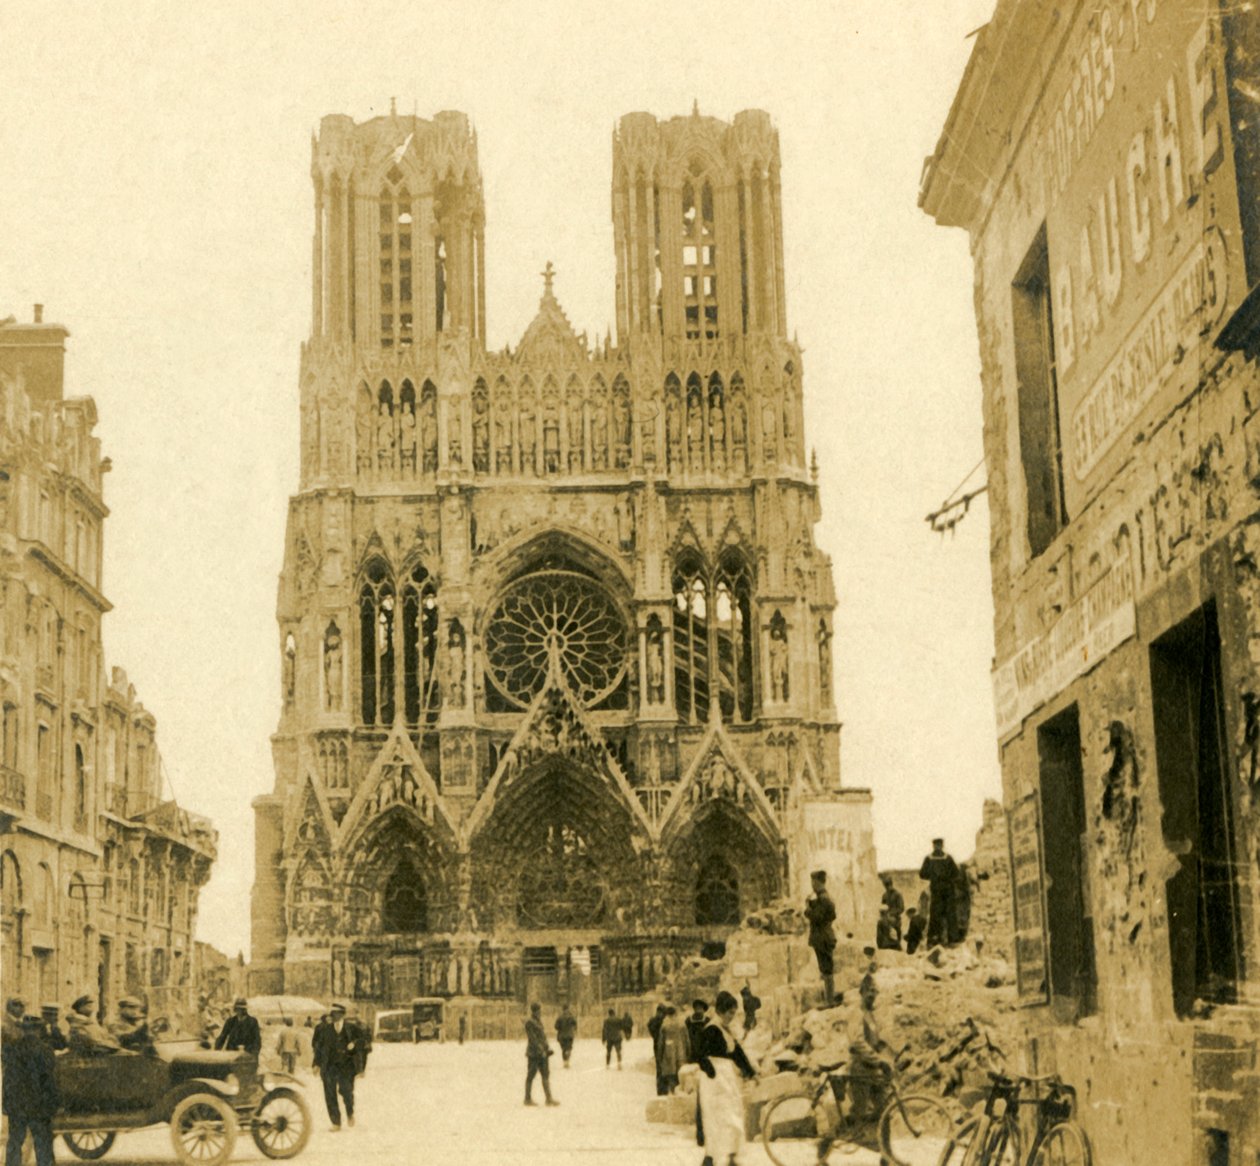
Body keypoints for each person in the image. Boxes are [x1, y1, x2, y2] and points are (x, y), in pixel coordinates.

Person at [696, 991, 756, 1166]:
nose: (732, 1017)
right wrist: (710, 1070)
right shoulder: (711, 1029)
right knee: (716, 1119)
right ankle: (711, 1158)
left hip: (727, 1079)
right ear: (721, 1011)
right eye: (730, 1013)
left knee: (733, 1115)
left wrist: (750, 1072)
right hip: (714, 1082)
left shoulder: (726, 1030)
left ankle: (731, 1156)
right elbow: (698, 1053)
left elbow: (737, 1053)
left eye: (734, 1014)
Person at [3, 1014, 59, 1166]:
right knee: (43, 1145)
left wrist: (6, 1105)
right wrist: (54, 1104)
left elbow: (8, 1079)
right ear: (39, 1031)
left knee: (15, 1141)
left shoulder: (11, 1049)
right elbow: (49, 1080)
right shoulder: (46, 1050)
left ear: (23, 1030)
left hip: (18, 1104)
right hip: (39, 1105)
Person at [313, 1002, 366, 1130]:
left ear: (342, 1014)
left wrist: (354, 1043)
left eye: (336, 1013)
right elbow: (319, 1048)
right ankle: (336, 1122)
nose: (333, 1016)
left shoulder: (351, 1028)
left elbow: (363, 1041)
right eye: (332, 1013)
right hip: (329, 1066)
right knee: (330, 1094)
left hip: (346, 1066)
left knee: (346, 1091)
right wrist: (316, 1064)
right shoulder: (324, 1030)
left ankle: (350, 1112)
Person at [805, 869, 838, 1004]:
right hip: (824, 936)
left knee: (826, 969)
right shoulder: (823, 898)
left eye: (813, 881)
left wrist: (807, 908)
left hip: (822, 937)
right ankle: (828, 999)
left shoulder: (824, 899)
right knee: (825, 968)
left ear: (818, 882)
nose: (812, 884)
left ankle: (829, 1000)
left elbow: (817, 917)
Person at [919, 839, 960, 948]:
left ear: (942, 846)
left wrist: (945, 877)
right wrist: (934, 876)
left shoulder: (948, 858)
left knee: (950, 913)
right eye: (936, 845)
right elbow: (922, 874)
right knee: (935, 914)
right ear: (933, 846)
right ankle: (934, 939)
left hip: (948, 891)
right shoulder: (928, 859)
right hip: (936, 891)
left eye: (939, 845)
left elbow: (956, 873)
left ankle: (953, 940)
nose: (938, 847)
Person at [523, 1003, 558, 1106]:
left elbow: (542, 1037)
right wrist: (540, 1050)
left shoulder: (538, 1021)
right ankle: (527, 1099)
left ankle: (549, 1098)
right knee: (531, 1076)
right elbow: (533, 1039)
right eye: (538, 1011)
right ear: (534, 1011)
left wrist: (547, 1048)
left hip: (543, 1053)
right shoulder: (530, 1022)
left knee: (545, 1075)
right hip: (534, 1054)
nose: (540, 1012)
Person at [656, 1006, 686, 1095]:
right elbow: (687, 1041)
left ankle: (672, 1096)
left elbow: (660, 1044)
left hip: (668, 1057)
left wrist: (659, 1058)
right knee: (680, 1081)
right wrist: (687, 1054)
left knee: (671, 1080)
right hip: (681, 1056)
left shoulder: (664, 1025)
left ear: (667, 1014)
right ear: (675, 1013)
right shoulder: (682, 1024)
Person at [646, 1002, 668, 1094]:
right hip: (660, 1045)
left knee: (661, 1066)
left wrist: (654, 1036)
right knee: (661, 1066)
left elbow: (649, 1026)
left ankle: (662, 1088)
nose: (660, 1014)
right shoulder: (662, 1021)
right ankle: (662, 1088)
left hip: (660, 1045)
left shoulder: (655, 1020)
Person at [880, 874, 905, 945]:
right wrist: (883, 913)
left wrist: (891, 913)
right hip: (886, 918)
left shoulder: (898, 894)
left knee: (896, 935)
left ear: (891, 884)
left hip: (896, 919)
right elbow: (882, 907)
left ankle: (898, 943)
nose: (887, 887)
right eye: (886, 886)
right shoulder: (884, 895)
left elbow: (901, 908)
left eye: (888, 885)